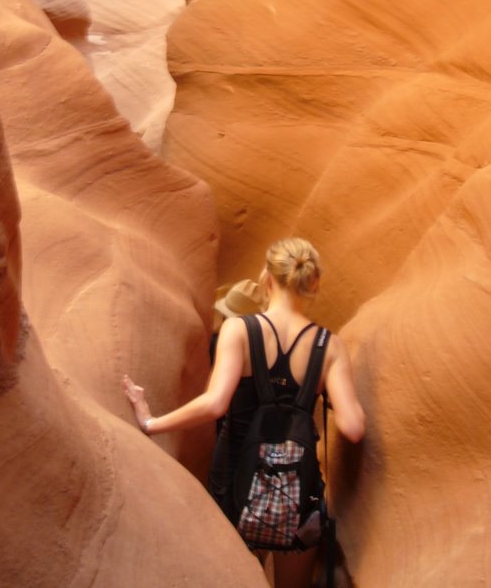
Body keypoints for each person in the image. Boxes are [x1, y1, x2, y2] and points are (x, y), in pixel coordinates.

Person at [124, 238, 366, 588]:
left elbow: (215, 403)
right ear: (313, 283)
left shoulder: (240, 330)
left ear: (267, 276)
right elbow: (354, 428)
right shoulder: (328, 346)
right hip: (297, 491)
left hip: (235, 482)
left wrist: (151, 422)